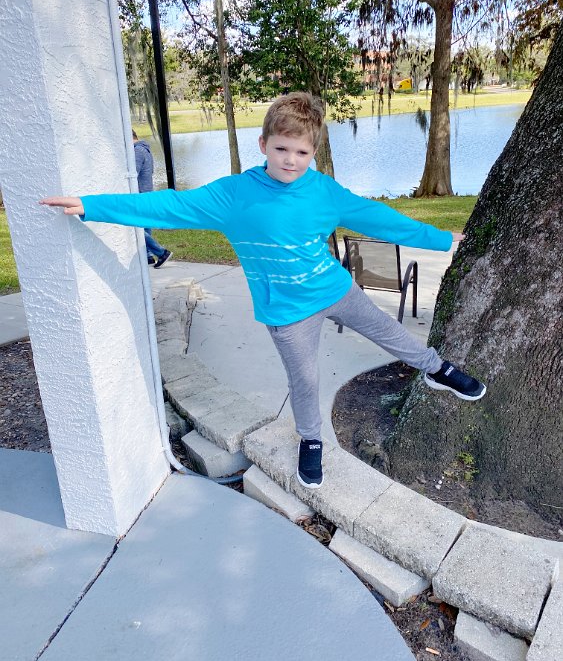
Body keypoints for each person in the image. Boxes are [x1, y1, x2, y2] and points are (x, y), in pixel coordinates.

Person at [41, 93, 486, 489]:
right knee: (305, 379)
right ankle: (311, 440)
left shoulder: (323, 191)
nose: (291, 160)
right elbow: (168, 205)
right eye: (281, 149)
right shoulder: (235, 195)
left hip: (335, 289)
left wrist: (440, 239)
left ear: (313, 152)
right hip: (287, 312)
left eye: (302, 152)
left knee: (390, 332)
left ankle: (436, 369)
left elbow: (379, 218)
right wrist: (92, 206)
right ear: (263, 145)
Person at [132, 130, 172, 268]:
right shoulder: (146, 150)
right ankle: (148, 256)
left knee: (135, 228)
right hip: (147, 193)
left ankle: (161, 252)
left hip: (140, 194)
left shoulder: (137, 151)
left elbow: (133, 174)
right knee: (145, 225)